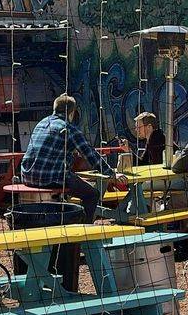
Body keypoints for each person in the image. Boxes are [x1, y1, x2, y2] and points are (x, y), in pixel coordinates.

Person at [20, 94, 125, 223]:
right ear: (72, 112)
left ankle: (69, 220)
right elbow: (90, 155)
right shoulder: (69, 129)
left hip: (27, 176)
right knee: (92, 194)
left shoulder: (41, 124)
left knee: (70, 184)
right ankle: (85, 229)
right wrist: (111, 174)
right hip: (49, 178)